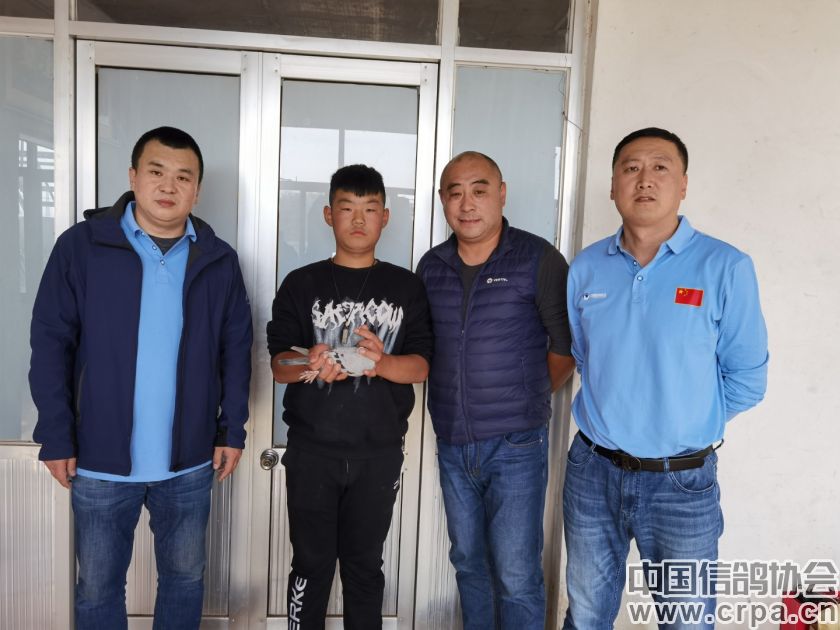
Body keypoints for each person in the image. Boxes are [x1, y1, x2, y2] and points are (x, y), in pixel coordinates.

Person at [29, 126, 253, 630]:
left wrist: (232, 429)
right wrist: (56, 436)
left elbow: (236, 350)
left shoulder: (218, 259)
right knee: (97, 588)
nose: (168, 186)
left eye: (183, 177)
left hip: (189, 461)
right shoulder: (82, 247)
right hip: (100, 461)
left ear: (197, 190)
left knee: (185, 579)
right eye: (156, 172)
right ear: (133, 177)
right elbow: (50, 344)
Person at [562, 127, 769, 629]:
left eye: (660, 167)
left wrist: (683, 420)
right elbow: (586, 357)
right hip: (593, 472)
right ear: (613, 185)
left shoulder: (725, 267)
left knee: (686, 620)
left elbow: (747, 377)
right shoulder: (586, 268)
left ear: (684, 184)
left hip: (683, 483)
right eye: (631, 168)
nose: (645, 179)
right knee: (586, 615)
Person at [267, 164, 432, 630]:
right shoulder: (301, 283)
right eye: (347, 208)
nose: (358, 219)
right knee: (310, 566)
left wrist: (380, 363)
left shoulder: (406, 287)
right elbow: (280, 365)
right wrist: (311, 359)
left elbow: (421, 366)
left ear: (385, 217)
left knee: (364, 568)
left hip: (377, 454)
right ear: (328, 214)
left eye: (370, 209)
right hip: (312, 452)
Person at [417, 151, 575, 630]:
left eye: (480, 190)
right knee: (469, 563)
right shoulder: (432, 266)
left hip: (516, 445)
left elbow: (565, 348)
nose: (467, 204)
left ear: (501, 194)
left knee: (516, 572)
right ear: (443, 200)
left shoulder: (537, 258)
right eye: (455, 193)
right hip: (452, 443)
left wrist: (525, 397)